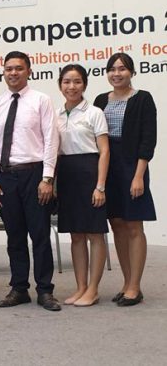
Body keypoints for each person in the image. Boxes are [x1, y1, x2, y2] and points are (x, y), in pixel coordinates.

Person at [0, 51, 61, 311]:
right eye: (8, 69)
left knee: (40, 234)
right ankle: (19, 288)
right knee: (14, 236)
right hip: (5, 177)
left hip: (35, 175)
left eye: (18, 68)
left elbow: (51, 140)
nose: (13, 73)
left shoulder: (41, 100)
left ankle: (45, 290)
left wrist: (47, 178)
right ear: (3, 72)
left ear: (29, 71)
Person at [93, 52, 157, 306]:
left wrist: (139, 175)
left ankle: (135, 286)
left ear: (132, 72)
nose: (116, 73)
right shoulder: (100, 100)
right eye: (112, 69)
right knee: (117, 224)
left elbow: (148, 140)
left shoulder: (143, 99)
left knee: (133, 225)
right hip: (108, 166)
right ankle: (127, 282)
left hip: (132, 166)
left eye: (122, 68)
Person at [56, 64, 110, 307]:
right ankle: (81, 287)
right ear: (60, 85)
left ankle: (93, 289)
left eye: (77, 81)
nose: (72, 86)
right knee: (76, 235)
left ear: (85, 85)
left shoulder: (94, 112)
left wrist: (100, 186)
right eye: (67, 82)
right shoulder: (56, 114)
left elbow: (104, 151)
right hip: (67, 175)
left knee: (95, 233)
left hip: (90, 173)